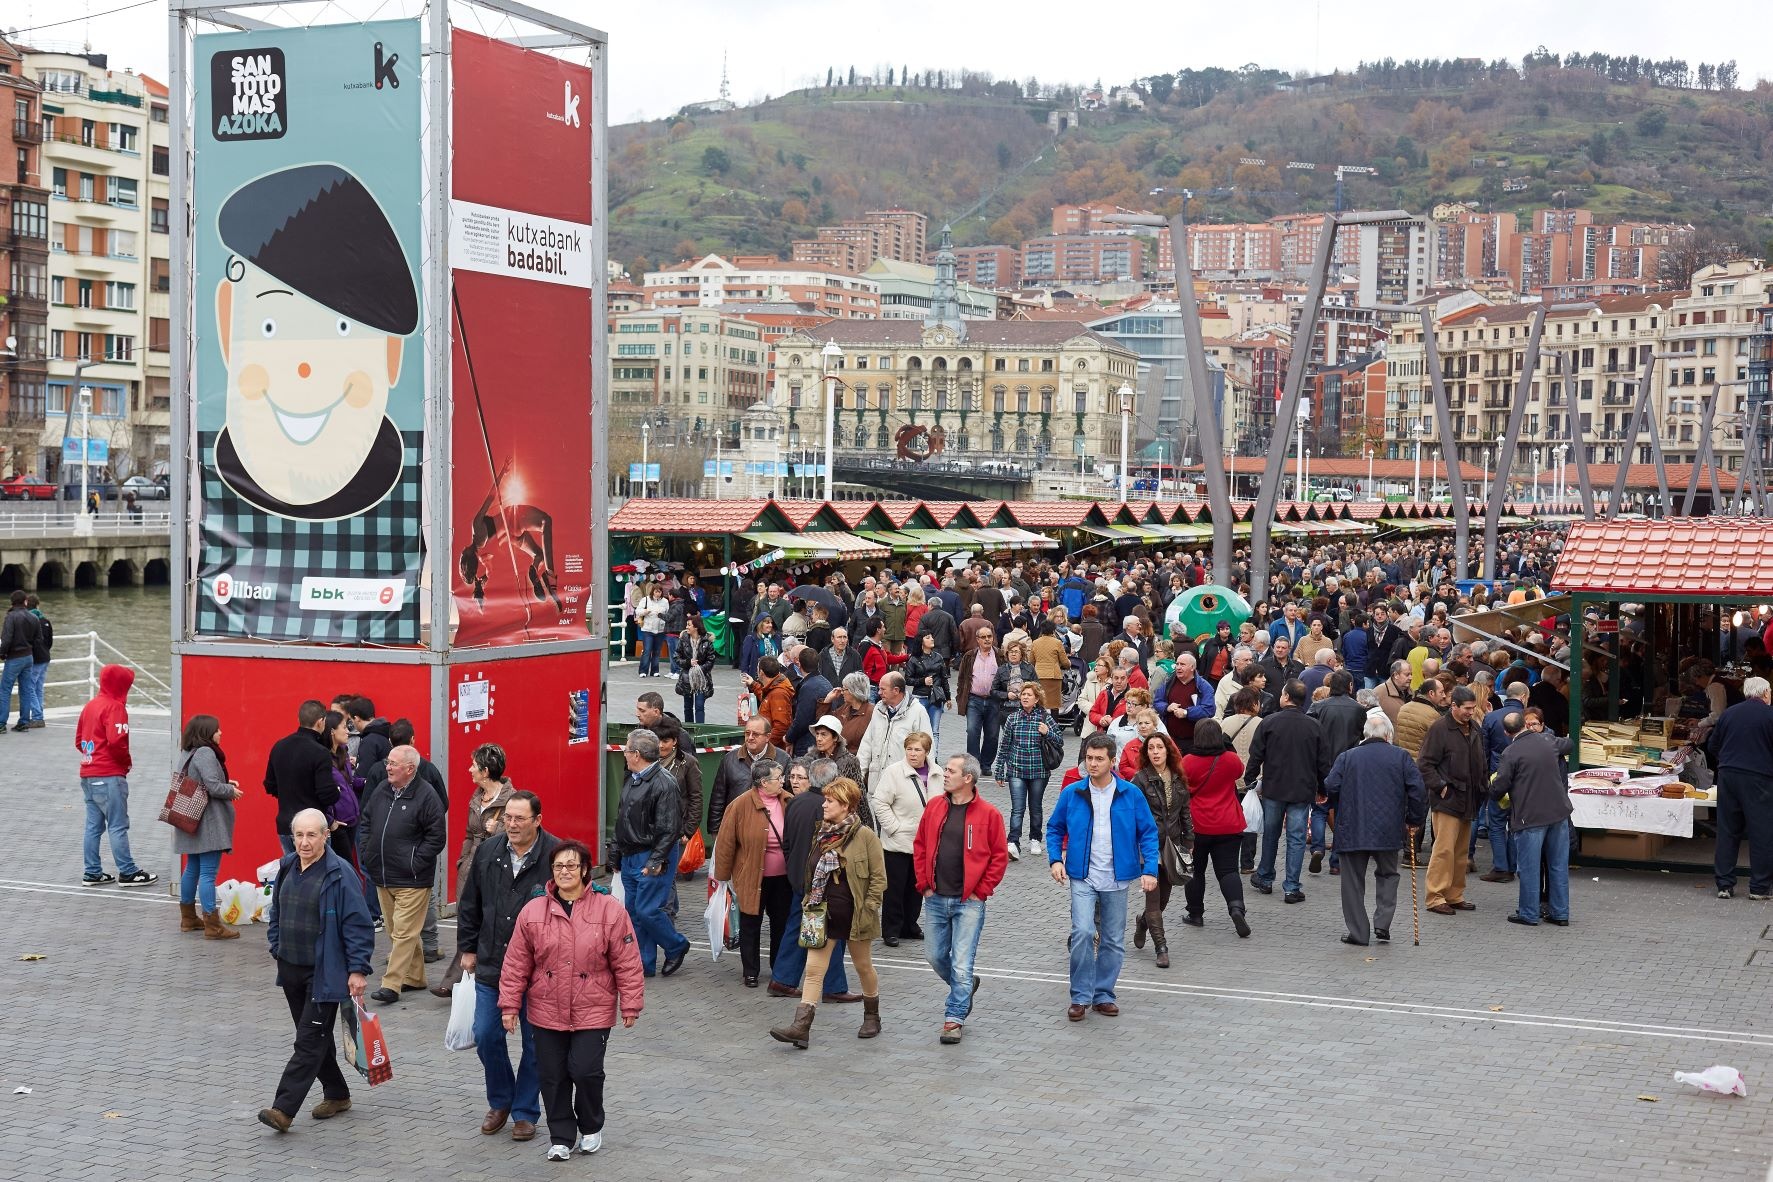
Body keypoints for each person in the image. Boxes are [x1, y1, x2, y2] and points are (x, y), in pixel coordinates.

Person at [499, 839, 645, 1161]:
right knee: (552, 1076)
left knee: (585, 1070)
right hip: (545, 1008)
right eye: (558, 866)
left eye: (571, 865)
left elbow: (627, 961)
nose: (564, 871)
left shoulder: (609, 909)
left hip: (593, 1007)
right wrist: (509, 1005)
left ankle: (591, 1126)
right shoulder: (533, 911)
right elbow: (516, 963)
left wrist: (631, 1003)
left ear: (585, 870)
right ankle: (561, 1137)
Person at [258, 808, 374, 1134]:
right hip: (290, 968)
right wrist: (276, 945)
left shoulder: (340, 873)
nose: (304, 842)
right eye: (299, 835)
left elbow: (358, 924)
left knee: (308, 1040)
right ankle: (337, 1093)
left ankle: (283, 1109)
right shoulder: (287, 866)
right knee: (313, 1036)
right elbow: (277, 910)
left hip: (325, 973)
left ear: (326, 835)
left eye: (312, 835)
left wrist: (358, 970)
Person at [456, 788, 556, 1143]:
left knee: (536, 1044)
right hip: (492, 962)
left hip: (540, 970)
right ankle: (500, 1100)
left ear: (537, 820)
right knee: (486, 1034)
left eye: (519, 819)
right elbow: (470, 903)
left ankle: (525, 1111)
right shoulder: (488, 852)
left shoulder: (556, 856)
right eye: (507, 818)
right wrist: (468, 948)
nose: (511, 825)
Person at [1046, 733, 1159, 1022]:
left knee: (1112, 939)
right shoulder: (1073, 793)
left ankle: (1103, 994)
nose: (1092, 764)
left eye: (1099, 759)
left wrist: (1150, 870)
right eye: (1089, 758)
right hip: (1082, 876)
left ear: (1113, 761)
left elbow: (1148, 833)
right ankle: (1080, 996)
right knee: (1083, 932)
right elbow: (1055, 827)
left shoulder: (1130, 794)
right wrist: (1055, 859)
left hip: (1117, 878)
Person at [768, 777, 886, 1049]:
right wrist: (808, 900)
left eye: (830, 801)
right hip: (821, 915)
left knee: (863, 967)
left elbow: (879, 879)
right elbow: (812, 873)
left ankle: (872, 1016)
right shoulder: (821, 834)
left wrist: (869, 907)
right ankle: (801, 1027)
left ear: (845, 805)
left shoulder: (865, 836)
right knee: (813, 970)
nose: (824, 804)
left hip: (856, 917)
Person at [911, 753, 1008, 1045]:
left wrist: (981, 891)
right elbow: (920, 845)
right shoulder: (935, 806)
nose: (944, 774)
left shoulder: (989, 814)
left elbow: (999, 857)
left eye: (950, 771)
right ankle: (965, 986)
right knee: (934, 956)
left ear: (968, 778)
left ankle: (954, 1018)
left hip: (969, 902)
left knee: (962, 964)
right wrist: (924, 884)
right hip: (936, 898)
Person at [1324, 711, 1428, 946]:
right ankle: (1383, 923)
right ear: (1389, 735)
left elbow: (1331, 785)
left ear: (1365, 735)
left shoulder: (1347, 757)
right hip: (1388, 828)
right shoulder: (1401, 757)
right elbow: (1418, 790)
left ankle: (1359, 932)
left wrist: (1341, 802)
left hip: (1353, 827)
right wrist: (1414, 819)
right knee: (1388, 874)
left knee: (1352, 882)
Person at [359, 746, 446, 1003]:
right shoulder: (382, 790)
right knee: (396, 929)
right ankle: (415, 977)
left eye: (393, 763)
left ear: (409, 769)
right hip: (383, 874)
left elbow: (436, 837)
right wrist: (367, 853)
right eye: (388, 762)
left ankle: (391, 984)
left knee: (404, 932)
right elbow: (366, 821)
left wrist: (414, 862)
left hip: (413, 879)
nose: (387, 767)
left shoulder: (427, 796)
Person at [768, 760, 859, 1002]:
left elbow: (787, 843)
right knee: (833, 931)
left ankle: (782, 979)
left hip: (799, 877)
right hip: (822, 881)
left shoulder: (796, 802)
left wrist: (793, 869)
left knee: (797, 926)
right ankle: (834, 987)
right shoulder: (829, 808)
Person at [609, 729, 689, 977]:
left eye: (626, 749)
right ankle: (644, 963)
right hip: (631, 855)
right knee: (634, 912)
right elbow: (622, 818)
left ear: (636, 754)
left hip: (651, 856)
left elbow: (669, 828)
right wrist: (615, 853)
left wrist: (656, 860)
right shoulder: (633, 778)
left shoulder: (664, 784)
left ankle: (676, 945)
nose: (623, 753)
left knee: (647, 910)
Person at [1243, 680, 1329, 904]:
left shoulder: (1270, 722)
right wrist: (1322, 788)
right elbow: (1322, 763)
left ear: (1286, 697)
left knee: (1271, 834)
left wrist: (1250, 779)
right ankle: (1291, 887)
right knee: (1297, 837)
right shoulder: (1314, 726)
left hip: (1274, 787)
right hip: (1302, 789)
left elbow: (1256, 754)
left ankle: (1265, 877)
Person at [1488, 712, 1574, 926]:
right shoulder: (1548, 740)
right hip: (1558, 813)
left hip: (1530, 816)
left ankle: (1529, 913)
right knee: (1558, 865)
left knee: (1529, 867)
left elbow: (1500, 785)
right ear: (1525, 725)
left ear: (1507, 732)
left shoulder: (1510, 752)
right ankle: (1560, 913)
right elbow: (1569, 744)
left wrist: (1491, 790)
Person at [714, 760, 794, 988]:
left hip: (783, 878)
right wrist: (722, 877)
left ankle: (779, 969)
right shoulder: (739, 805)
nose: (783, 781)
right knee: (751, 923)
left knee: (781, 924)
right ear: (763, 782)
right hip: (751, 876)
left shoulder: (789, 801)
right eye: (778, 778)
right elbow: (726, 843)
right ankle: (750, 971)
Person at [76, 664, 155, 886]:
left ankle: (92, 872)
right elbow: (117, 742)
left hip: (88, 773)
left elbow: (79, 740)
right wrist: (125, 763)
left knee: (93, 826)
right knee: (117, 825)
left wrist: (93, 755)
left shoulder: (90, 706)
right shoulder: (115, 708)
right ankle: (128, 872)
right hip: (109, 775)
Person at [172, 713, 244, 939]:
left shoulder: (188, 751)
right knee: (208, 873)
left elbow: (199, 781)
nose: (220, 733)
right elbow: (212, 787)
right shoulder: (205, 752)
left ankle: (188, 918)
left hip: (190, 819)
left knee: (192, 868)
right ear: (207, 733)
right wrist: (230, 790)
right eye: (217, 729)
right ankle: (212, 924)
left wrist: (225, 782)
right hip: (207, 821)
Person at [1178, 719, 1250, 937]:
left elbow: (1182, 786)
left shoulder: (1188, 761)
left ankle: (1195, 913)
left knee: (1195, 870)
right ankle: (1236, 908)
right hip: (1228, 823)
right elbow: (1239, 772)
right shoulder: (1230, 759)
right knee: (1228, 870)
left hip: (1197, 824)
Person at [1419, 686, 1486, 917]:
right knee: (1444, 850)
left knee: (1460, 852)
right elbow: (1425, 764)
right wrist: (1441, 786)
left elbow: (1480, 760)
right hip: (1448, 799)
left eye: (1473, 708)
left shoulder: (1474, 727)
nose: (1471, 712)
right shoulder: (1440, 728)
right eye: (1467, 708)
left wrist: (1482, 786)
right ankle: (1435, 897)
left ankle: (1454, 895)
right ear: (1454, 706)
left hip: (1468, 798)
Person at [1131, 732, 1193, 969]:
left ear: (1168, 750)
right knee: (1153, 896)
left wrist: (1189, 843)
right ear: (1146, 753)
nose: (1155, 752)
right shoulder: (1140, 780)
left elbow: (1185, 813)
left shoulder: (1178, 778)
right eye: (1151, 748)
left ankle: (1143, 922)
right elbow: (1132, 814)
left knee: (1163, 900)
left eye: (1159, 747)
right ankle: (1161, 947)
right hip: (1149, 845)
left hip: (1172, 844)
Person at [871, 731, 939, 947]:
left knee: (916, 888)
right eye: (909, 749)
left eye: (917, 749)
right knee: (894, 889)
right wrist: (894, 828)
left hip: (925, 844)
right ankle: (891, 929)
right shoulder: (893, 772)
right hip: (897, 842)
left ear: (926, 752)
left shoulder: (937, 774)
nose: (912, 753)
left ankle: (909, 925)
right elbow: (880, 802)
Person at [1709, 677, 1773, 900]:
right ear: (1765, 693)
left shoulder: (1729, 713)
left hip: (1728, 775)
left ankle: (1724, 885)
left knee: (1727, 830)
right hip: (1759, 778)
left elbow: (1713, 745)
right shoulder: (1770, 715)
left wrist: (1728, 760)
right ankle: (1759, 888)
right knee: (1762, 832)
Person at [1306, 670, 1366, 875]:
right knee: (1342, 815)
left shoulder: (1318, 707)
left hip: (1321, 766)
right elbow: (1360, 734)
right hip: (1346, 767)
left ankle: (1317, 847)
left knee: (1319, 809)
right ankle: (1336, 862)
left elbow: (1308, 733)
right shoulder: (1358, 709)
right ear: (1350, 686)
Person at [265, 700, 340, 856]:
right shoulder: (320, 752)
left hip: (286, 825)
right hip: (313, 828)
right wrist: (337, 792)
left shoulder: (279, 746)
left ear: (299, 719)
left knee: (294, 869)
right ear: (321, 722)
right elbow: (327, 794)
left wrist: (289, 793)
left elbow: (270, 785)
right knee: (318, 870)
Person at [995, 681, 1057, 861]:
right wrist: (999, 770)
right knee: (1017, 808)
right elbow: (1004, 745)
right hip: (1016, 770)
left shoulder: (1045, 718)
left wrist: (1047, 733)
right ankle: (1013, 842)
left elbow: (1059, 741)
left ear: (1036, 699)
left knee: (1035, 807)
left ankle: (1035, 838)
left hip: (1039, 771)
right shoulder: (1013, 718)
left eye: (1029, 695)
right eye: (1023, 694)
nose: (1025, 697)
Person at [1478, 683, 1530, 884]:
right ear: (1523, 696)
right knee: (1516, 823)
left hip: (1498, 778)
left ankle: (1501, 867)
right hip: (1523, 780)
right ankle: (1512, 865)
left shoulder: (1491, 718)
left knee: (1497, 824)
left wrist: (1486, 778)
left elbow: (1483, 751)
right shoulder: (1529, 718)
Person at [707, 715, 789, 841]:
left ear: (767, 737)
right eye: (747, 733)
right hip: (735, 830)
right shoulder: (729, 759)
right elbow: (718, 797)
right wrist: (715, 831)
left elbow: (788, 798)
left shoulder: (783, 760)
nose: (750, 737)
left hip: (769, 833)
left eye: (755, 734)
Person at [856, 670, 932, 788]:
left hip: (902, 786)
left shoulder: (918, 712)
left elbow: (928, 749)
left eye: (883, 689)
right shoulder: (878, 709)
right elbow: (867, 744)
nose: (879, 692)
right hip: (875, 785)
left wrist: (925, 785)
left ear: (896, 690)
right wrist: (857, 776)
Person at [956, 625, 1001, 772]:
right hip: (974, 700)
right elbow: (962, 678)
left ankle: (986, 764)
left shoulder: (1000, 655)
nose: (987, 639)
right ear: (977, 639)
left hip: (994, 700)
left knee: (992, 734)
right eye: (984, 637)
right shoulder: (969, 656)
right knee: (972, 731)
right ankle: (974, 764)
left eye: (989, 636)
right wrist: (960, 697)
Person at [0, 589, 40, 732]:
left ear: (12, 602)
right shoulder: (33, 618)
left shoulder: (11, 617)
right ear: (25, 602)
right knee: (26, 690)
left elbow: (6, 639)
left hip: (14, 657)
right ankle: (23, 722)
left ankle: (1, 723)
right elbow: (38, 639)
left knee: (5, 690)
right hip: (28, 657)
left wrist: (2, 653)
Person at [906, 632, 950, 746]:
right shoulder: (914, 659)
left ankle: (934, 755)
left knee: (934, 731)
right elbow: (908, 679)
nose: (932, 639)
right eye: (928, 637)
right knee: (919, 730)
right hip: (920, 697)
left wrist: (948, 697)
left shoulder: (938, 657)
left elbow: (944, 678)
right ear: (921, 641)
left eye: (932, 637)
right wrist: (922, 681)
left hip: (936, 697)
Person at [787, 646, 833, 756]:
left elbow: (802, 721)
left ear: (799, 664)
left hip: (808, 745)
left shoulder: (808, 687)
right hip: (822, 740)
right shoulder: (826, 683)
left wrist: (788, 738)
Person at [672, 614, 715, 723]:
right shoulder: (683, 639)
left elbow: (711, 660)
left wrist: (700, 668)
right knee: (688, 707)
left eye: (689, 625)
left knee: (699, 706)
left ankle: (700, 729)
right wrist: (688, 662)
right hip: (686, 678)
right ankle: (689, 728)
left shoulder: (707, 641)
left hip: (702, 679)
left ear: (696, 626)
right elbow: (676, 657)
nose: (686, 627)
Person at [19, 593, 51, 730]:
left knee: (28, 687)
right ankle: (39, 715)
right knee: (38, 687)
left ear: (26, 605)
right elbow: (49, 642)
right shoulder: (46, 621)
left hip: (34, 659)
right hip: (45, 658)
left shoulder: (27, 621)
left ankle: (37, 717)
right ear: (38, 605)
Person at [1031, 619, 1069, 712]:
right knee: (1054, 704)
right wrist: (1068, 664)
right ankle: (1054, 721)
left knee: (1040, 702)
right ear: (1053, 629)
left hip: (1039, 675)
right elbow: (1065, 662)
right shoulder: (1057, 642)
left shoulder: (1035, 642)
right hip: (1054, 676)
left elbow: (1031, 661)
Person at [635, 581, 670, 677]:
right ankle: (643, 671)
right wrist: (645, 611)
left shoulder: (665, 601)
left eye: (659, 592)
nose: (658, 594)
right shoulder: (645, 599)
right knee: (647, 650)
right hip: (648, 629)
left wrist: (662, 616)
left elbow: (667, 613)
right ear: (652, 592)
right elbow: (637, 611)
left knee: (657, 651)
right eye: (656, 591)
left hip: (660, 629)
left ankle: (655, 670)